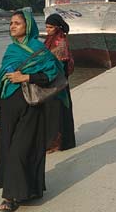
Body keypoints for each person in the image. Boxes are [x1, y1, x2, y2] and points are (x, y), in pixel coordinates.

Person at [0, 10, 64, 211]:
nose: (12, 26)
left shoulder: (39, 49)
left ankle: (11, 198)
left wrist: (26, 77)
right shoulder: (10, 50)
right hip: (8, 105)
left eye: (17, 23)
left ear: (28, 26)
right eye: (11, 23)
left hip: (31, 106)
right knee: (8, 148)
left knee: (20, 150)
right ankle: (28, 189)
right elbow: (1, 78)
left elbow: (52, 74)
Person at [43, 14, 76, 152]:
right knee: (55, 113)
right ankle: (55, 141)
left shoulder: (59, 41)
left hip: (57, 83)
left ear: (57, 27)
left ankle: (56, 143)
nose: (48, 30)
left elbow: (60, 64)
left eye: (50, 27)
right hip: (54, 82)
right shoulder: (50, 40)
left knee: (56, 113)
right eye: (46, 27)